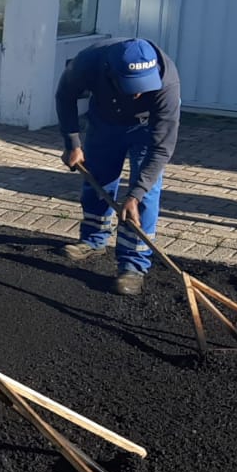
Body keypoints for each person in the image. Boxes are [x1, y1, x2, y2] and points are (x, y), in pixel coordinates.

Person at [54, 38, 182, 296]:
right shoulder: (87, 63)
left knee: (145, 196)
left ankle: (133, 265)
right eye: (131, 86)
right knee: (98, 180)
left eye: (143, 87)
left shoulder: (167, 83)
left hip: (147, 130)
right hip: (105, 122)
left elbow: (162, 148)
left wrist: (135, 194)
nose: (138, 93)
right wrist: (72, 143)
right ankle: (93, 241)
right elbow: (64, 95)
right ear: (110, 73)